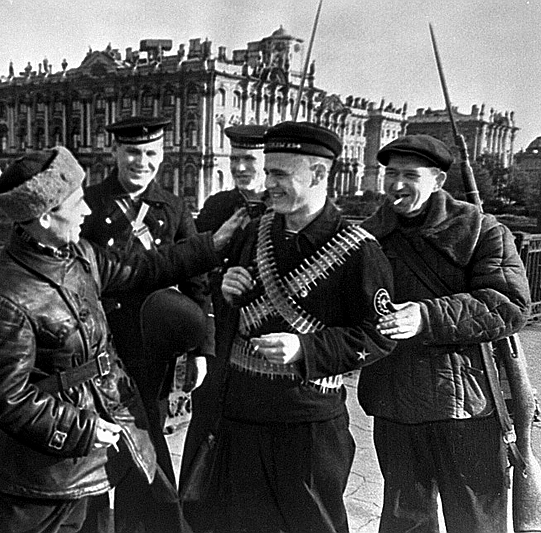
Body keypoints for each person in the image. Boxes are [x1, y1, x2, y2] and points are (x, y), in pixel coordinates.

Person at [0, 146, 242, 533]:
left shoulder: (78, 254)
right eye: (78, 203)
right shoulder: (5, 295)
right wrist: (85, 429)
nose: (87, 212)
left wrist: (211, 245)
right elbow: (6, 399)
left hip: (91, 453)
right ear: (46, 217)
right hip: (47, 476)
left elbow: (143, 267)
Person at [206, 121, 397, 533]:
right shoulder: (255, 232)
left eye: (279, 174)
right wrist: (226, 290)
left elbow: (379, 335)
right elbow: (230, 316)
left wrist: (304, 350)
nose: (267, 183)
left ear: (319, 175)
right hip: (243, 411)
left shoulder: (358, 250)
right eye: (267, 170)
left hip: (307, 421)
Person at [358, 134, 531, 533]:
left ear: (437, 180)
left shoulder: (481, 230)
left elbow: (508, 303)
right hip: (393, 401)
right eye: (391, 173)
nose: (397, 184)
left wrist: (425, 317)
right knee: (404, 521)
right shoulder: (368, 236)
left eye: (410, 175)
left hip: (465, 404)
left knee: (475, 520)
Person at [80, 116, 213, 532]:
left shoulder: (173, 209)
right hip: (96, 345)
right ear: (115, 152)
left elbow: (197, 283)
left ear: (162, 155)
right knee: (93, 449)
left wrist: (201, 351)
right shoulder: (87, 203)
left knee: (148, 446)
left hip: (151, 348)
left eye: (151, 153)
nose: (142, 161)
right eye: (133, 152)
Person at [180, 124, 267, 524]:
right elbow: (194, 272)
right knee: (206, 424)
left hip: (261, 344)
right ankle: (196, 515)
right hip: (218, 334)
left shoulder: (281, 210)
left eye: (250, 159)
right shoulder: (218, 206)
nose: (240, 167)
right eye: (235, 159)